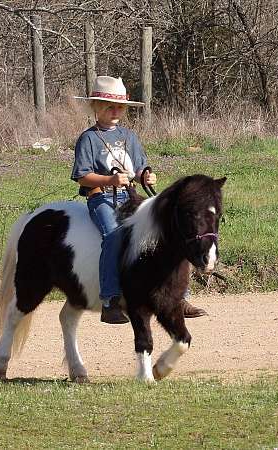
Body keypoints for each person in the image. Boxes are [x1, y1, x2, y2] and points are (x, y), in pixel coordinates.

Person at [71, 75, 206, 324]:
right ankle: (109, 300)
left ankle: (179, 296)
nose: (115, 111)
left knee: (169, 229)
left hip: (130, 195)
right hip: (100, 198)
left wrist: (147, 176)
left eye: (119, 107)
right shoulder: (88, 139)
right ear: (96, 107)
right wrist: (109, 181)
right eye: (109, 106)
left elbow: (140, 168)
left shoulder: (129, 137)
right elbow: (82, 177)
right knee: (113, 236)